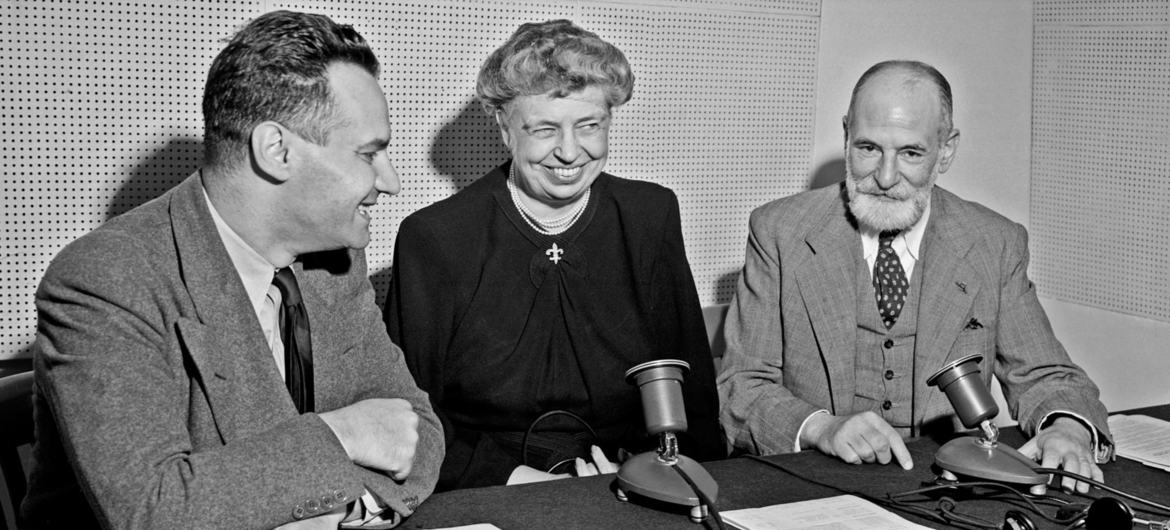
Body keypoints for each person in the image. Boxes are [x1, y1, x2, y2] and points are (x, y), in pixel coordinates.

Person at [21, 11, 443, 529]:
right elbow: (153, 511)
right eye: (369, 153)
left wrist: (352, 510)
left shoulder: (333, 260)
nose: (391, 181)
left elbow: (414, 432)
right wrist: (343, 436)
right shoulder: (105, 279)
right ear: (276, 150)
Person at [717, 60, 1112, 493]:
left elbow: (1047, 375)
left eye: (910, 153)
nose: (885, 178)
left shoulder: (994, 242)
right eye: (868, 148)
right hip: (815, 483)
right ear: (847, 135)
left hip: (949, 489)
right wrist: (820, 428)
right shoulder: (780, 231)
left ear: (946, 150)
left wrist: (1069, 429)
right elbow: (740, 385)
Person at [383, 19, 724, 491]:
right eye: (544, 129)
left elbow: (693, 394)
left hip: (633, 475)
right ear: (505, 128)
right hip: (489, 485)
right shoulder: (435, 238)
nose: (570, 152)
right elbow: (411, 416)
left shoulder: (650, 215)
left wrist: (657, 473)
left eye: (589, 126)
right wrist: (514, 479)